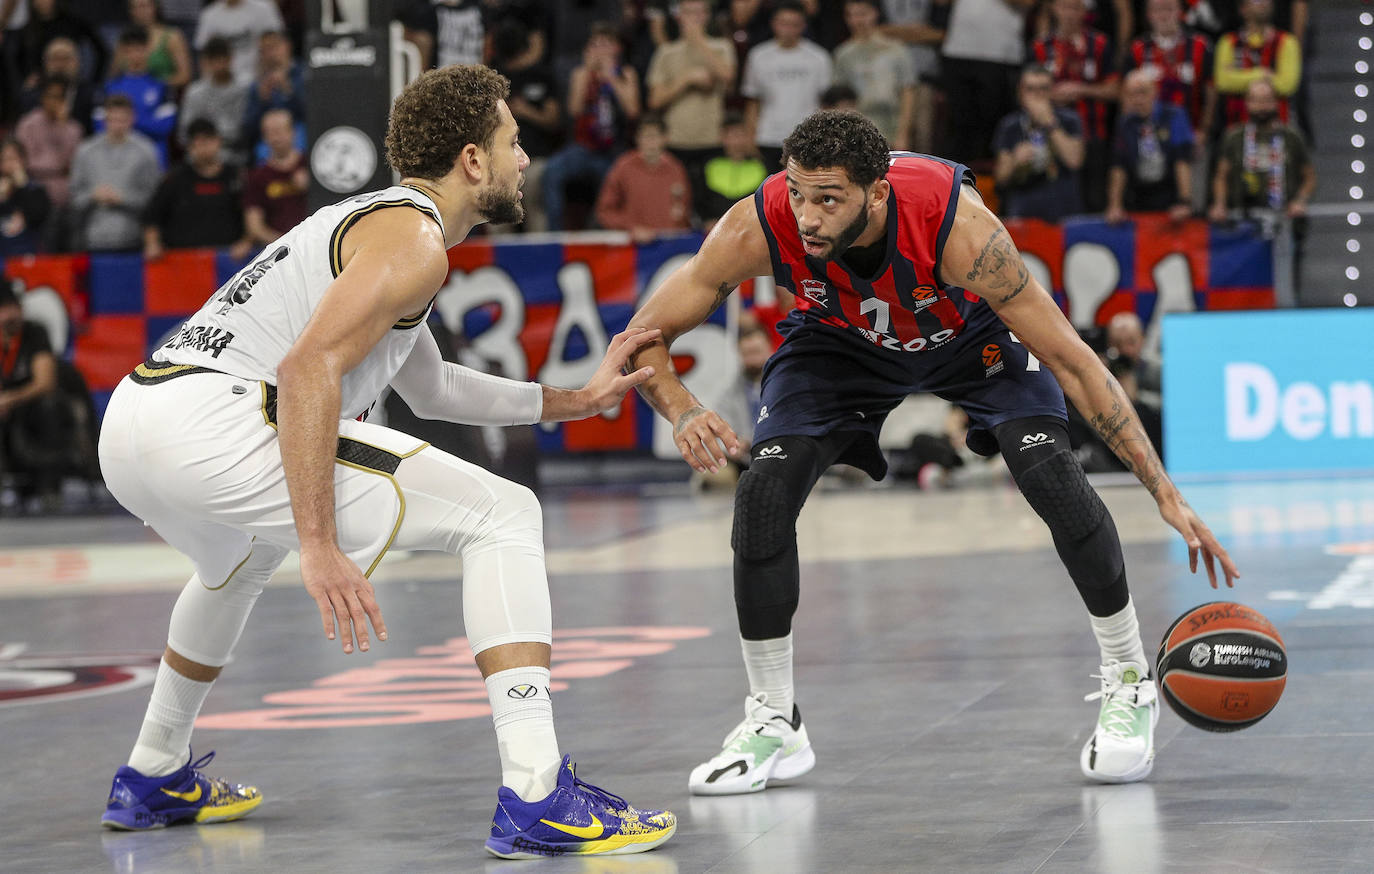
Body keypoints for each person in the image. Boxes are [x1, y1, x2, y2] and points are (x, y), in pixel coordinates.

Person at [95, 64, 676, 860]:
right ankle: (539, 792)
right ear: (473, 160)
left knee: (234, 564)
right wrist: (320, 540)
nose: (524, 161)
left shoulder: (382, 228)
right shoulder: (414, 240)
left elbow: (432, 388)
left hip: (136, 421)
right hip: (213, 423)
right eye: (512, 143)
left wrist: (571, 400)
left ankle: (153, 771)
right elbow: (307, 373)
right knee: (505, 515)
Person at [626, 109, 1238, 796]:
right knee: (761, 495)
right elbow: (643, 334)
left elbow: (1072, 358)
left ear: (877, 194)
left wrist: (1164, 491)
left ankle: (1130, 683)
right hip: (839, 343)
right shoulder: (760, 222)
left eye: (829, 199)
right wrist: (682, 408)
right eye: (798, 194)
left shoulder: (960, 229)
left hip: (968, 339)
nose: (808, 217)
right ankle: (775, 719)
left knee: (1049, 472)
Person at [739, 1, 832, 171]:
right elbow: (753, 100)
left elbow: (825, 102)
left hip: (807, 138)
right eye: (783, 24)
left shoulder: (819, 57)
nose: (788, 30)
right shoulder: (758, 56)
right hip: (768, 136)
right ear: (773, 24)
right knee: (771, 192)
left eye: (794, 24)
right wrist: (750, 136)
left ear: (803, 25)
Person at [1208, 75, 1312, 221]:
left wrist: (1300, 201)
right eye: (1256, 100)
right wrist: (1220, 204)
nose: (1261, 106)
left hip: (1284, 219)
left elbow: (1309, 177)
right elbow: (1221, 176)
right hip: (1242, 219)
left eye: (1266, 100)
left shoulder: (1291, 136)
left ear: (1276, 102)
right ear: (1247, 103)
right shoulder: (1234, 137)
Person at [141, 118, 248, 260]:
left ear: (218, 141)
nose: (202, 148)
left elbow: (251, 214)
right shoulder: (175, 179)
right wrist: (152, 243)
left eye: (206, 141)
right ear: (189, 147)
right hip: (182, 262)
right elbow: (152, 216)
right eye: (196, 143)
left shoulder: (235, 177)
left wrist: (247, 241)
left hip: (228, 261)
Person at [993, 65, 1086, 222]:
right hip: (1023, 210)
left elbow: (1074, 161)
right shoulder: (1010, 125)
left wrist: (1049, 123)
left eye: (1043, 89)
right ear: (1020, 93)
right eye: (1030, 89)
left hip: (1063, 211)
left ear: (1052, 92)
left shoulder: (1069, 120)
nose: (1037, 95)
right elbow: (1000, 177)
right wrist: (1015, 160)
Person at [68, 93, 160, 251]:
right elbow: (74, 197)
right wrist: (92, 195)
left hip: (133, 239)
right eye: (113, 120)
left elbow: (154, 200)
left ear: (132, 119)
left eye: (122, 120)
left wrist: (123, 199)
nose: (117, 125)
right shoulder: (85, 151)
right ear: (105, 120)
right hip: (92, 239)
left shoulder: (147, 151)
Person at [1106, 68, 1194, 223]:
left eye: (1143, 92)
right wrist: (1114, 205)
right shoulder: (1125, 123)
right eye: (1132, 94)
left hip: (1169, 194)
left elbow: (1182, 161)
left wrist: (1184, 202)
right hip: (1138, 196)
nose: (1138, 99)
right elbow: (1119, 166)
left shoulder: (1174, 115)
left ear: (1155, 91)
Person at [833, 0, 918, 152]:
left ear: (875, 13)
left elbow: (908, 93)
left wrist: (903, 134)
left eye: (862, 14)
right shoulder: (843, 54)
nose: (857, 20)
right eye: (851, 15)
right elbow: (839, 99)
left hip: (891, 124)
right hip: (857, 129)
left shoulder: (896, 50)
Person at [594, 113, 692, 242]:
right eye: (646, 136)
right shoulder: (623, 167)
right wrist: (631, 228)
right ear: (637, 139)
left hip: (670, 247)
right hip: (634, 248)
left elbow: (684, 211)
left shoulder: (676, 169)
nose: (651, 142)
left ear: (665, 138)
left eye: (655, 136)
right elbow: (605, 211)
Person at [241, 108, 306, 247]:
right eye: (269, 132)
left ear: (293, 132)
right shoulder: (257, 176)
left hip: (316, 245)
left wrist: (313, 185)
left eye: (280, 131)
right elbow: (254, 226)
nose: (275, 138)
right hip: (279, 251)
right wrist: (287, 244)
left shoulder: (312, 165)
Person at [179, 37, 248, 158]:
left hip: (237, 151)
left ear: (231, 59)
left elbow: (249, 129)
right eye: (214, 60)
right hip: (202, 152)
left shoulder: (245, 89)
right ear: (206, 62)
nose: (219, 65)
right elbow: (184, 134)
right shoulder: (195, 92)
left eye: (223, 59)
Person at [115, 0, 191, 89]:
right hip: (128, 95)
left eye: (144, 6)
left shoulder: (172, 37)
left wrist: (156, 85)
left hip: (163, 94)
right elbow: (115, 73)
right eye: (134, 7)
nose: (140, 11)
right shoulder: (124, 38)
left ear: (155, 7)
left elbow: (185, 75)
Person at [0, 137, 51, 255]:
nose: (9, 164)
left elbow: (39, 216)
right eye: (3, 160)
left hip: (28, 254)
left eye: (13, 159)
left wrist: (23, 186)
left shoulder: (35, 189)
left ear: (23, 160)